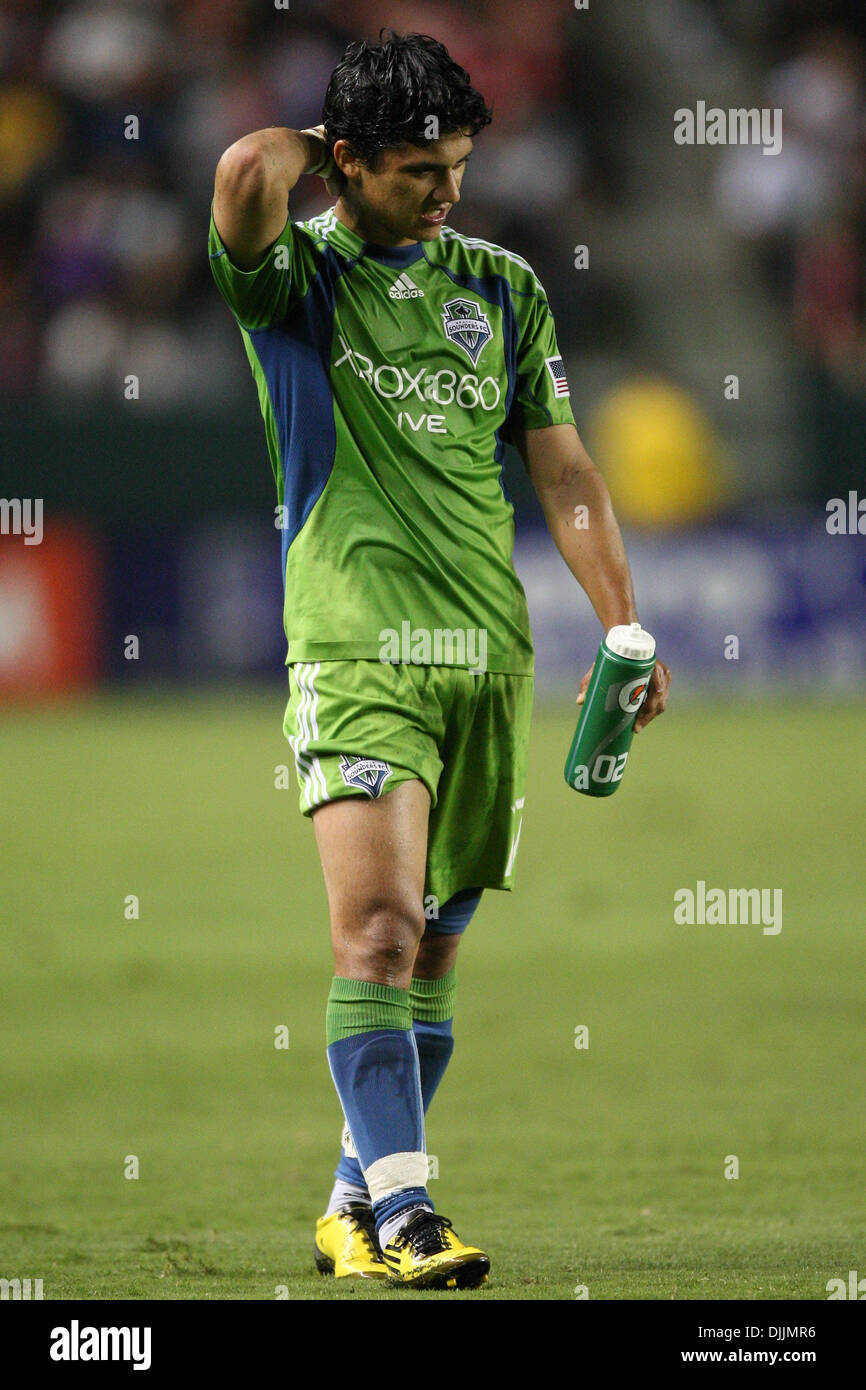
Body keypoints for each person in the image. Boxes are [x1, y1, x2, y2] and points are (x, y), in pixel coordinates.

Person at [209, 28, 670, 1291]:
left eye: (459, 163)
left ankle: (352, 1201)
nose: (448, 191)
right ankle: (412, 1219)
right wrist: (330, 142)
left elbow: (564, 469)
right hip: (356, 645)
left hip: (484, 655)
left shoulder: (503, 287)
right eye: (418, 169)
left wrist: (621, 621)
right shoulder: (293, 283)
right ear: (349, 163)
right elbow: (250, 166)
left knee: (431, 947)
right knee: (372, 931)